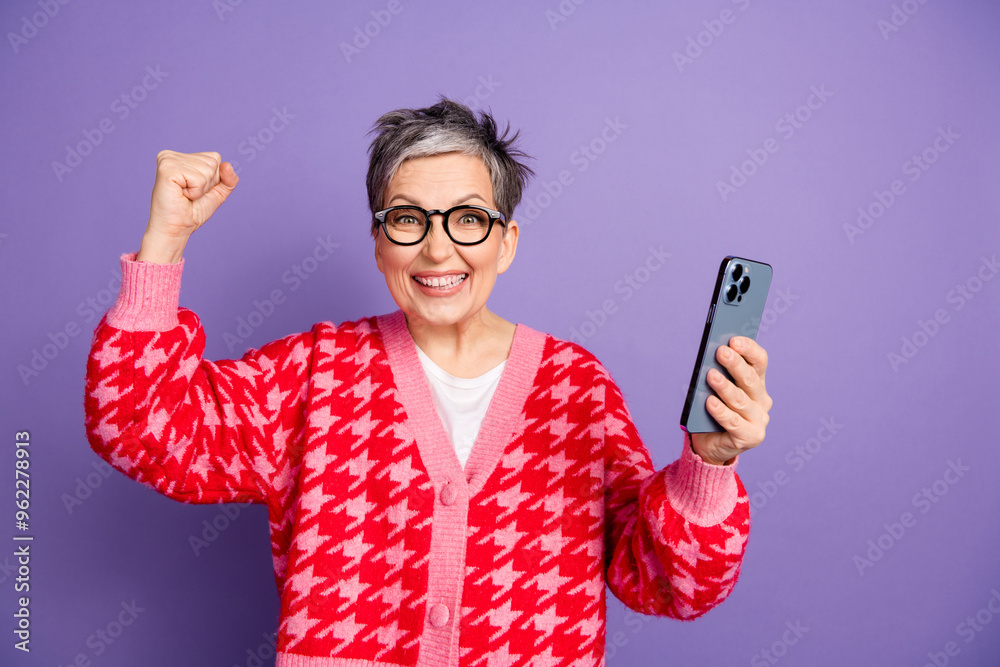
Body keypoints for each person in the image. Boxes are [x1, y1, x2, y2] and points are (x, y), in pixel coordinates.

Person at [84, 98, 773, 667]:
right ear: (379, 240)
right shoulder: (315, 371)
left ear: (506, 241)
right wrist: (165, 241)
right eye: (408, 219)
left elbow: (668, 582)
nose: (438, 248)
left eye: (469, 219)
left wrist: (709, 462)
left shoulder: (575, 385)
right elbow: (141, 426)